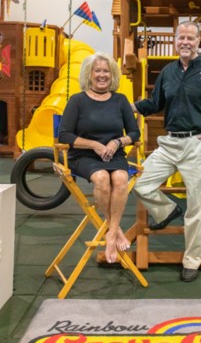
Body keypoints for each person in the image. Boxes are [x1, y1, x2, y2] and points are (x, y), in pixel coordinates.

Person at [131, 21, 201, 282]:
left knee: (197, 206)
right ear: (176, 41)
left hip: (198, 145)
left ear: (199, 41)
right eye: (181, 38)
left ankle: (191, 261)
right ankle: (167, 211)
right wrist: (125, 107)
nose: (185, 42)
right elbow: (155, 103)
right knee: (139, 182)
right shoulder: (168, 72)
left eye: (191, 38)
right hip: (170, 144)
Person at [58, 52, 140, 264]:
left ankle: (110, 234)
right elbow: (64, 135)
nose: (102, 75)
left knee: (121, 179)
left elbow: (134, 133)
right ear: (89, 74)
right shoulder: (77, 101)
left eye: (106, 71)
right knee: (102, 178)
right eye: (98, 71)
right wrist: (94, 145)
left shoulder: (120, 100)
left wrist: (117, 142)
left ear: (112, 75)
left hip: (114, 153)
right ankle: (116, 230)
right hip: (84, 155)